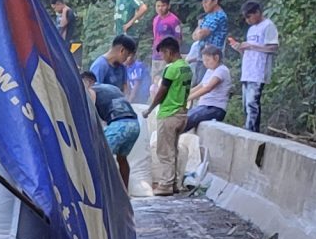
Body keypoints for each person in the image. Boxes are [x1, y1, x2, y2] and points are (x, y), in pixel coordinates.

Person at [144, 35, 193, 195]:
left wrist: (150, 108)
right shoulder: (186, 67)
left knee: (164, 151)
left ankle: (165, 185)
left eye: (163, 54)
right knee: (173, 150)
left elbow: (162, 91)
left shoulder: (171, 69)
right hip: (182, 113)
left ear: (169, 51)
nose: (163, 58)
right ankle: (175, 183)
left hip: (169, 113)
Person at [180, 41, 233, 181]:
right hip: (203, 106)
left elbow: (208, 88)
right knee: (185, 117)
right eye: (203, 60)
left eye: (207, 59)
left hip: (215, 108)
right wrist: (183, 96)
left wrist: (187, 99)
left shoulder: (221, 70)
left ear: (216, 58)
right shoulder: (210, 71)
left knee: (188, 120)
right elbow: (200, 86)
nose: (205, 63)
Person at [229, 0, 279, 134]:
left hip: (259, 70)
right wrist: (239, 47)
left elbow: (273, 47)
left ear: (257, 12)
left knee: (252, 102)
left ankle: (251, 131)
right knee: (246, 104)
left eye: (249, 17)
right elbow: (250, 49)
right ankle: (249, 128)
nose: (248, 20)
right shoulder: (251, 29)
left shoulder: (268, 25)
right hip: (248, 70)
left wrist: (251, 45)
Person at [92, 66, 140, 184]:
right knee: (122, 158)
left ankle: (106, 192)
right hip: (134, 124)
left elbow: (91, 109)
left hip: (119, 126)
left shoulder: (91, 89)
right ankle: (125, 192)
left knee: (100, 157)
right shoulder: (112, 88)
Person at [111, 0, 149, 99]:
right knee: (118, 64)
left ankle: (130, 96)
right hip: (119, 35)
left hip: (129, 35)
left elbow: (143, 8)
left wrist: (131, 22)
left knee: (126, 63)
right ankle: (121, 93)